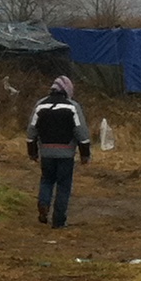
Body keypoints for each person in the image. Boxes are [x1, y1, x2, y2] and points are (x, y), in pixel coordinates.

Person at [27, 75, 92, 227]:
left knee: (46, 180)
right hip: (66, 153)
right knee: (63, 185)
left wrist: (33, 152)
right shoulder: (72, 107)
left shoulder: (40, 105)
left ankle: (43, 203)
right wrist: (85, 154)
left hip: (46, 153)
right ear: (67, 89)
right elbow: (81, 132)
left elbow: (31, 131)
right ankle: (58, 221)